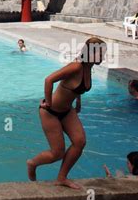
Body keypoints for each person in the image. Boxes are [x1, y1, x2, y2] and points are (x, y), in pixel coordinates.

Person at [27, 36, 106, 190]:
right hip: (50, 112)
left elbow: (78, 88)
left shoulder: (88, 68)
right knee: (57, 153)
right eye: (100, 53)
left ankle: (61, 178)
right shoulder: (76, 66)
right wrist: (48, 103)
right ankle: (32, 163)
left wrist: (78, 102)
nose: (103, 57)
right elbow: (49, 80)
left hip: (67, 111)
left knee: (80, 141)